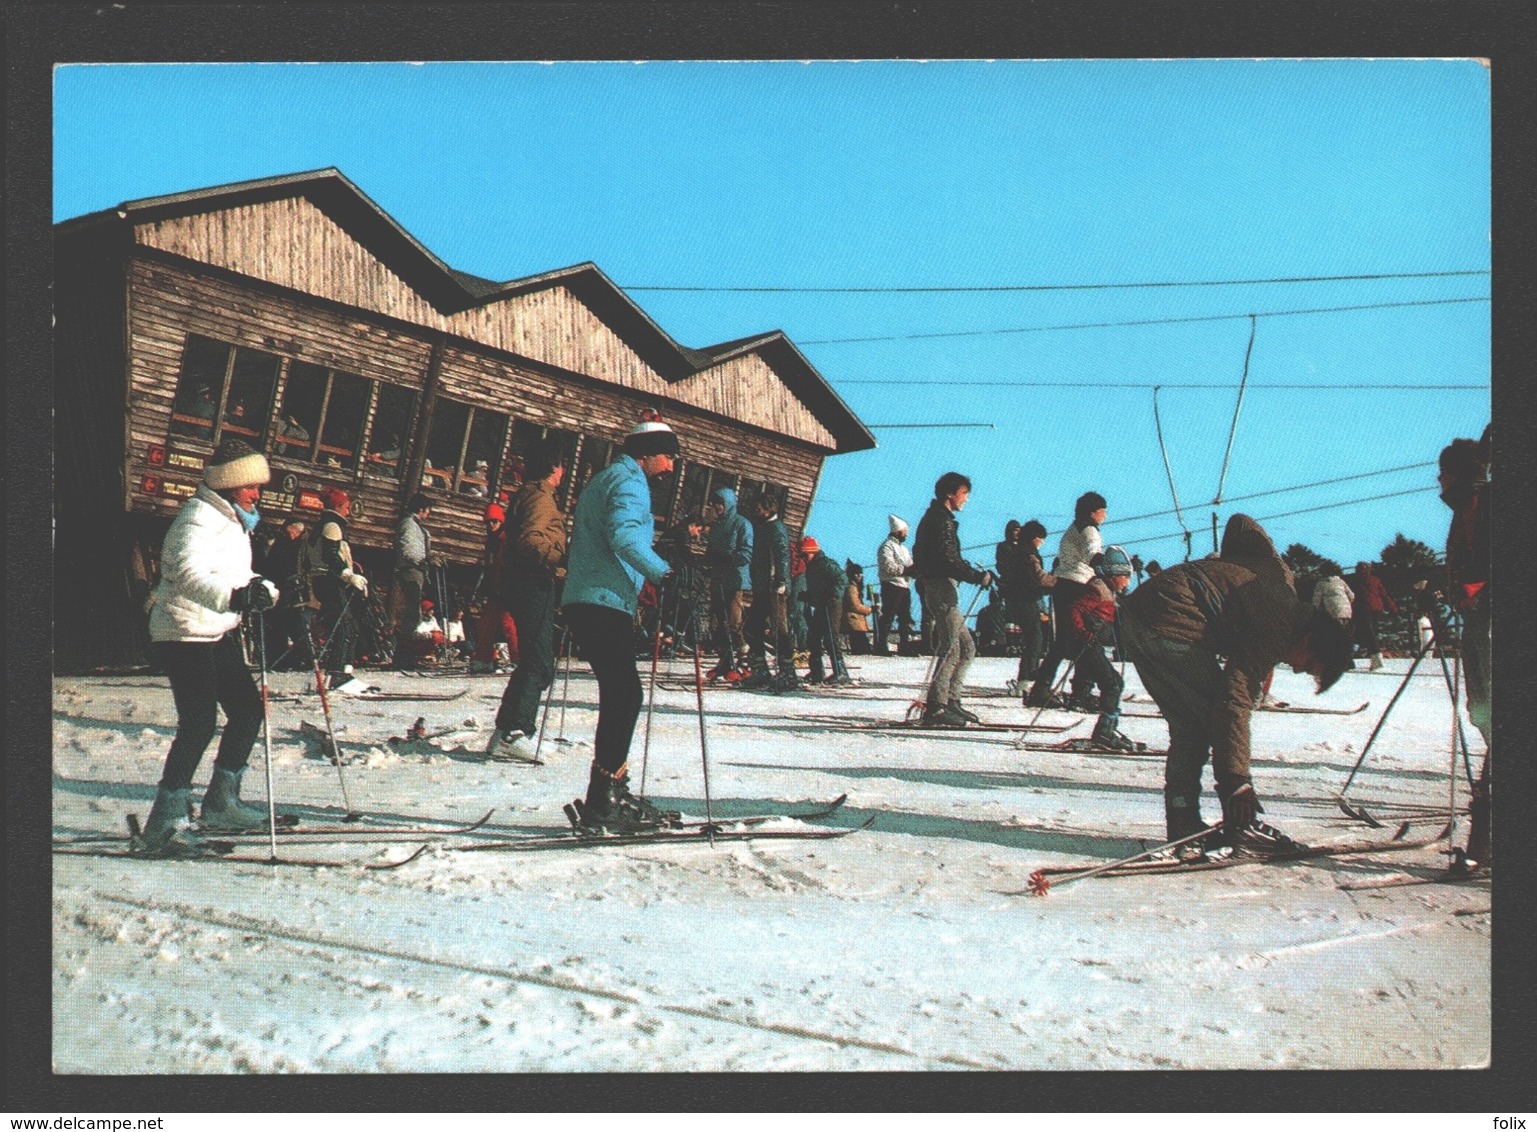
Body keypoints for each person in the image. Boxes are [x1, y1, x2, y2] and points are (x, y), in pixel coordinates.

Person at [1118, 514, 1355, 858]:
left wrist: (1238, 565)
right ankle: (1219, 825)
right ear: (1311, 639)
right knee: (1206, 720)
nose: (1298, 669)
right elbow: (1233, 701)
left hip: (1144, 615)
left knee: (1190, 727)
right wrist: (1237, 782)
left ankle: (1184, 825)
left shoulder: (1277, 576)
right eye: (1310, 666)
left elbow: (1240, 524)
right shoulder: (1276, 625)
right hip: (1169, 622)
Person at [136, 439, 282, 855]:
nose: (257, 494)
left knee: (248, 710)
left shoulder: (231, 520)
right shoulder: (196, 519)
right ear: (229, 484)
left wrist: (261, 591)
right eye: (251, 486)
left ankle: (220, 802)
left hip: (213, 628)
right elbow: (185, 573)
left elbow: (240, 574)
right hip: (183, 630)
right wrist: (234, 598)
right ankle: (164, 822)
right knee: (198, 723)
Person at [562, 419, 678, 829]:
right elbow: (625, 538)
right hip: (601, 600)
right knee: (625, 695)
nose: (670, 467)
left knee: (622, 694)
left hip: (594, 596)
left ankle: (608, 791)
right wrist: (666, 575)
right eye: (667, 456)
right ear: (646, 453)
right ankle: (606, 797)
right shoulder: (630, 482)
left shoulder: (608, 478)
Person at [487, 441, 568, 763]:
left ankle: (509, 730)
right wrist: (561, 558)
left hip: (526, 580)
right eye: (561, 466)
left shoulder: (530, 493)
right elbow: (530, 539)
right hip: (532, 581)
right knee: (538, 661)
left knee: (535, 659)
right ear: (554, 468)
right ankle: (514, 732)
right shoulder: (540, 496)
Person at [1438, 429, 1490, 873]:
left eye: (1442, 474)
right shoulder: (1468, 506)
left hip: (1495, 624)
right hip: (1481, 625)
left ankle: (1485, 839)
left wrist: (1472, 587)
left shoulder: (1484, 502)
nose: (1438, 482)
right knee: (1488, 717)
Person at [912, 472, 994, 726]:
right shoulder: (939, 521)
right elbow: (947, 559)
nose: (966, 499)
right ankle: (936, 707)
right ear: (951, 493)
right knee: (952, 647)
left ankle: (951, 701)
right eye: (964, 493)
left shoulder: (939, 519)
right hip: (940, 586)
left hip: (943, 585)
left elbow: (937, 555)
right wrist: (976, 576)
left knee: (967, 647)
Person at [1024, 492, 1107, 708]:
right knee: (1087, 637)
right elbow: (1093, 555)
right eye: (1102, 511)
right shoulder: (1089, 530)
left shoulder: (1073, 528)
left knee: (1063, 641)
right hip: (1079, 587)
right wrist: (1110, 569)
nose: (1105, 516)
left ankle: (1041, 688)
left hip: (1063, 585)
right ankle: (1081, 691)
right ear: (1093, 512)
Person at [1058, 547, 1135, 751]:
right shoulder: (1097, 589)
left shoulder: (1107, 590)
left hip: (1091, 645)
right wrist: (1083, 632)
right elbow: (1073, 610)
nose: (1127, 582)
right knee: (1113, 684)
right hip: (1086, 644)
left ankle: (1099, 720)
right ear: (1114, 575)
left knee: (1108, 681)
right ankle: (1105, 732)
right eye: (1126, 577)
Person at [308, 486, 371, 693]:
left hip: (332, 581)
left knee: (350, 626)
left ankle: (345, 672)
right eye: (346, 506)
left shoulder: (332, 524)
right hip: (329, 581)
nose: (348, 510)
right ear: (338, 506)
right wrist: (348, 575)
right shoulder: (332, 525)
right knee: (343, 626)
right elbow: (331, 555)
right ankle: (336, 676)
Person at [739, 493, 796, 691]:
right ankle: (760, 669)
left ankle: (788, 672)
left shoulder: (776, 528)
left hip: (774, 587)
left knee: (779, 629)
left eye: (759, 507)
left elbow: (782, 554)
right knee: (753, 627)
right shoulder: (762, 528)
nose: (756, 511)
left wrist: (781, 579)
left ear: (768, 508)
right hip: (762, 586)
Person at [703, 486, 753, 681]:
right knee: (718, 622)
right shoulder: (716, 526)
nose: (718, 507)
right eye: (716, 504)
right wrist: (707, 562)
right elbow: (710, 551)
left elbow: (747, 552)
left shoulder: (742, 524)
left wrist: (729, 558)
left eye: (721, 503)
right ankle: (725, 660)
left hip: (734, 579)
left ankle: (744, 660)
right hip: (718, 579)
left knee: (733, 622)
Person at [471, 499, 519, 674]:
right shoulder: (490, 541)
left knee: (509, 625)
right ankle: (483, 659)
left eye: (495, 521)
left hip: (508, 589)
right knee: (486, 624)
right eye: (488, 522)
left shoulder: (508, 540)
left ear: (502, 521)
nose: (491, 524)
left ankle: (518, 660)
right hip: (494, 589)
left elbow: (510, 566)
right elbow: (489, 567)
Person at [262, 516, 315, 671]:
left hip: (299, 592)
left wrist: (302, 581)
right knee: (279, 626)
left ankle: (306, 660)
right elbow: (272, 563)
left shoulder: (308, 544)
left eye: (292, 532)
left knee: (298, 627)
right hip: (281, 590)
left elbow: (312, 568)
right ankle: (279, 662)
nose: (290, 535)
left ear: (299, 530)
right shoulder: (282, 542)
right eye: (288, 532)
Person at [1009, 519, 1057, 689]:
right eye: (1040, 538)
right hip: (1026, 600)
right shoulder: (1028, 554)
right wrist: (1058, 581)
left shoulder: (1018, 551)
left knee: (1034, 637)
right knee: (1035, 638)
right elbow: (1039, 578)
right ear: (1033, 538)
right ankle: (1026, 678)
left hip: (1018, 599)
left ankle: (1029, 676)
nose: (1042, 542)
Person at [391, 494, 434, 669]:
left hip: (416, 570)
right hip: (411, 570)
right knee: (411, 614)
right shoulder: (409, 525)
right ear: (422, 509)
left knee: (413, 613)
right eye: (428, 510)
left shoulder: (416, 526)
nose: (428, 514)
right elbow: (408, 549)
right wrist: (424, 560)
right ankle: (403, 656)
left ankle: (406, 655)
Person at [800, 537, 850, 684]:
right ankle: (817, 671)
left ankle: (841, 672)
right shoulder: (812, 566)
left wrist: (834, 594)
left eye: (805, 555)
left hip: (832, 604)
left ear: (812, 552)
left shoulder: (825, 564)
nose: (804, 558)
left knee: (831, 638)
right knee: (813, 637)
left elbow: (842, 577)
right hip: (821, 604)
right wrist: (808, 596)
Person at [874, 514, 915, 655]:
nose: (906, 534)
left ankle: (905, 645)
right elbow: (888, 566)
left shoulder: (904, 549)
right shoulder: (886, 546)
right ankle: (881, 645)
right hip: (891, 584)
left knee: (905, 617)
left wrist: (914, 569)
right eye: (905, 531)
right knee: (888, 616)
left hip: (904, 585)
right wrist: (907, 570)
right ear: (898, 531)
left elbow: (909, 563)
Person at [1349, 561, 1398, 671]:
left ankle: (1376, 658)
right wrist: (1392, 608)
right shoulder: (1375, 580)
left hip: (1363, 610)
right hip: (1376, 609)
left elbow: (1352, 597)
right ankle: (1375, 657)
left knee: (1368, 634)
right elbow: (1384, 595)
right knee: (1372, 633)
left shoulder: (1355, 581)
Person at [842, 561, 874, 656]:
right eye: (857, 574)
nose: (859, 576)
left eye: (860, 573)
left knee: (858, 644)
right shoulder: (852, 588)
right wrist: (870, 610)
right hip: (854, 620)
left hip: (855, 621)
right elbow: (854, 605)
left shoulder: (851, 586)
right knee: (861, 646)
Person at [1311, 561, 1354, 630]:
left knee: (1336, 631)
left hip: (1333, 612)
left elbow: (1316, 601)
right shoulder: (1341, 581)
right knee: (1346, 631)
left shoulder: (1321, 583)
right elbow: (1351, 596)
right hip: (1347, 612)